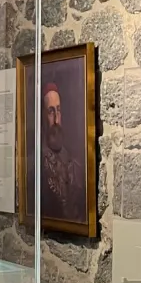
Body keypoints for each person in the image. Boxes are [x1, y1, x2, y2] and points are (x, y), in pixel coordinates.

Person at [40, 82, 84, 221]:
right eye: (51, 111)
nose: (56, 120)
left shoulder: (73, 160)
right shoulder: (39, 163)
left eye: (58, 110)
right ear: (43, 116)